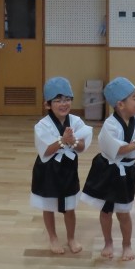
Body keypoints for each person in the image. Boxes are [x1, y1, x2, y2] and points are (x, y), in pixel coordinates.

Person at [81, 77, 135, 261]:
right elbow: (116, 149)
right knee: (106, 211)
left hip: (127, 171)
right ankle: (108, 242)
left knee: (123, 212)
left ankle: (127, 244)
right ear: (120, 104)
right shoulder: (110, 125)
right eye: (134, 98)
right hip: (107, 170)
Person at [30, 77, 93, 255]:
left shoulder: (76, 122)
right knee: (48, 204)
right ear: (48, 104)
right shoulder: (42, 125)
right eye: (58, 100)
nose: (63, 104)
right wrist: (63, 141)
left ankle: (71, 238)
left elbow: (82, 146)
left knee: (69, 206)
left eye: (67, 99)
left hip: (68, 168)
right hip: (47, 169)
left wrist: (73, 142)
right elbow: (46, 151)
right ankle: (53, 237)